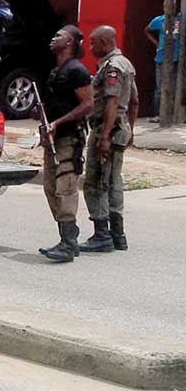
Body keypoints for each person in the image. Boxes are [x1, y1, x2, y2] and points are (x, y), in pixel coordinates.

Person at [79, 26, 138, 253]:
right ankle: (118, 234)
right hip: (121, 129)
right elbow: (134, 101)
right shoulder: (126, 64)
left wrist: (104, 137)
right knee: (113, 180)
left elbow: (112, 102)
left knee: (96, 182)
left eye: (93, 43)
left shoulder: (112, 67)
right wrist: (130, 130)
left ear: (105, 42)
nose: (91, 48)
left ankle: (102, 234)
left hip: (108, 129)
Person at [37, 26, 94, 263]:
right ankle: (66, 235)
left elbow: (88, 105)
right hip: (53, 139)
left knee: (65, 187)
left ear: (70, 41)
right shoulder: (56, 71)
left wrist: (59, 122)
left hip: (69, 138)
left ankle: (68, 244)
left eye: (58, 35)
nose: (53, 38)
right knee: (50, 186)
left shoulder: (77, 70)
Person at [144, 13, 181, 119]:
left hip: (177, 58)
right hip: (161, 58)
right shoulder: (159, 20)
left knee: (175, 86)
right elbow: (146, 30)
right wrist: (156, 44)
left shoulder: (181, 19)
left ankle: (173, 114)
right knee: (159, 88)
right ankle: (157, 115)